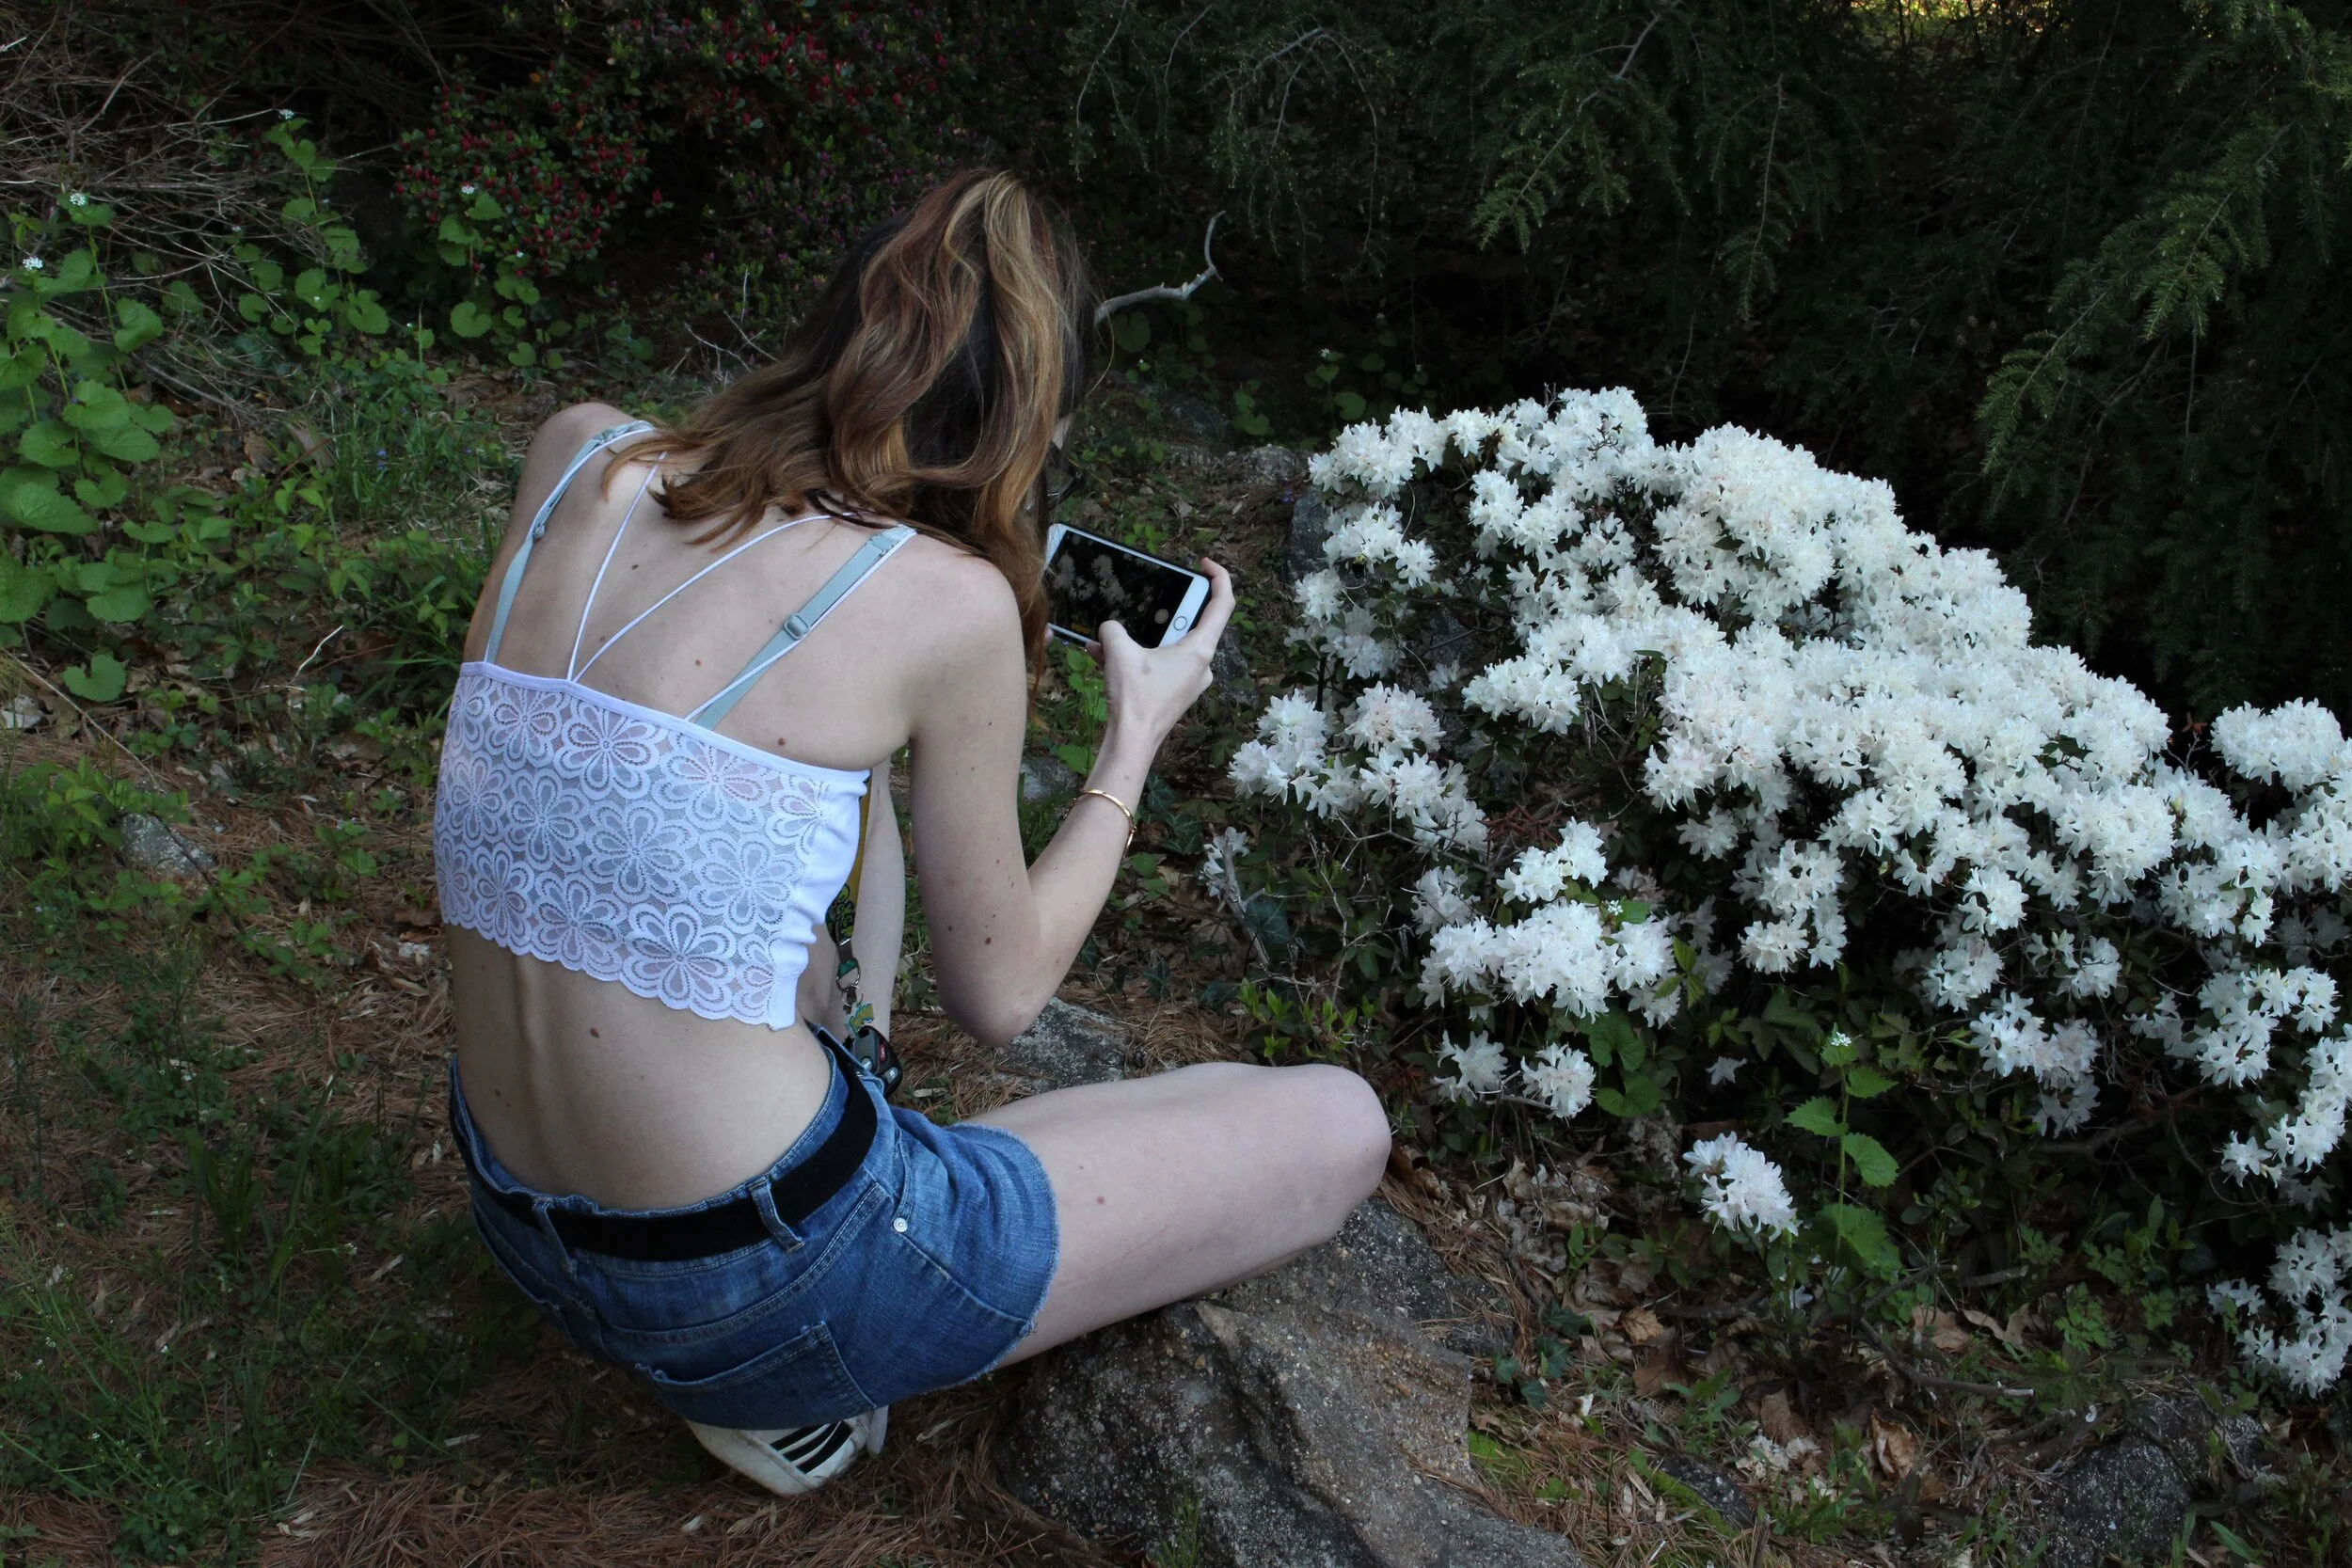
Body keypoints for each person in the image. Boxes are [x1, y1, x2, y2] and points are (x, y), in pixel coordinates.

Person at [432, 168, 1391, 1496]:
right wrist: (1134, 737)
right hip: (765, 1281)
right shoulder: (945, 607)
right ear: (1027, 421)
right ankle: (798, 1375)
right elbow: (1002, 994)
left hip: (524, 1225)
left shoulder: (579, 457)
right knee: (1337, 1120)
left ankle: (777, 1333)